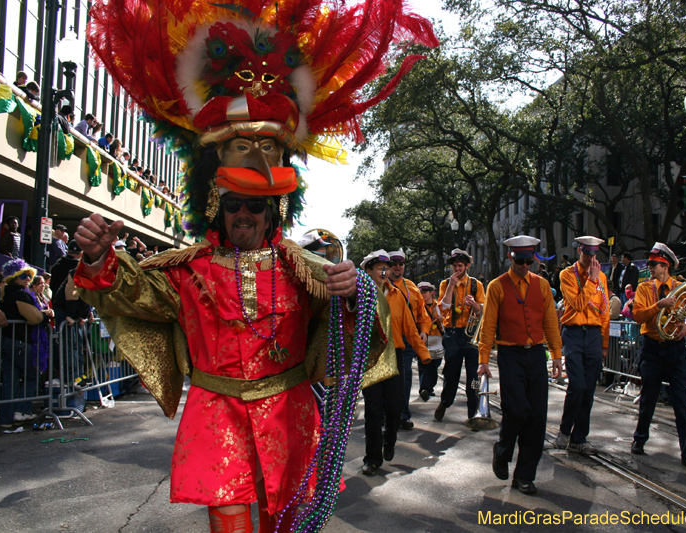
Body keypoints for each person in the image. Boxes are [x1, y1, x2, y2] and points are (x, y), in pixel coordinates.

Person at [78, 1, 435, 530]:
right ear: (213, 203)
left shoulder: (303, 267)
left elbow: (357, 330)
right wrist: (96, 256)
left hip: (289, 419)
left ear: (275, 210)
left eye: (255, 205)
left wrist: (357, 292)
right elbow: (129, 290)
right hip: (215, 417)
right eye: (234, 204)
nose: (244, 214)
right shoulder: (186, 269)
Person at [478, 236, 562, 495]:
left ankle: (524, 476)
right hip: (509, 354)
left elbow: (550, 322)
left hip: (536, 355)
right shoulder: (497, 286)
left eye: (529, 261)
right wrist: (483, 361)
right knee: (515, 410)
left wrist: (557, 355)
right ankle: (502, 450)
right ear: (510, 258)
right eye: (520, 261)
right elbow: (488, 325)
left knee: (536, 418)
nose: (526, 266)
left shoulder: (543, 286)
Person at [629, 243, 686, 470]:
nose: (649, 267)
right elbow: (637, 316)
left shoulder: (683, 288)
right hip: (652, 347)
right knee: (648, 398)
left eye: (653, 264)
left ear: (665, 265)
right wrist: (658, 306)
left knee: (682, 400)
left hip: (675, 348)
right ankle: (639, 438)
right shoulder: (644, 288)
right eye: (649, 264)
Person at [360, 251, 430, 475]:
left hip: (395, 357)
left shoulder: (398, 295)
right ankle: (372, 458)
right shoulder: (360, 296)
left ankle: (389, 439)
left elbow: (410, 328)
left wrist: (424, 353)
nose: (384, 272)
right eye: (379, 268)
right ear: (368, 271)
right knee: (372, 410)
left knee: (394, 407)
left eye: (386, 268)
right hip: (371, 359)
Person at [554, 236, 610, 455]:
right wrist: (592, 281)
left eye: (594, 255)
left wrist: (604, 343)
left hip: (594, 335)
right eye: (587, 255)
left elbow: (604, 311)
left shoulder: (602, 277)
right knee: (576, 384)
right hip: (574, 333)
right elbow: (576, 304)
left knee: (588, 389)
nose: (590, 259)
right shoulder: (567, 274)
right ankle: (565, 430)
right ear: (580, 252)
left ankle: (580, 437)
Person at [0, 259, 54, 428]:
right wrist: (45, 313)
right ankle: (22, 411)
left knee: (10, 380)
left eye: (29, 275)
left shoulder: (7, 293)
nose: (28, 279)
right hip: (21, 342)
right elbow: (34, 317)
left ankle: (6, 419)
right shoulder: (19, 294)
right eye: (23, 276)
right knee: (33, 374)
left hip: (9, 341)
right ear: (14, 277)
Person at [435, 249, 486, 424]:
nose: (457, 268)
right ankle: (444, 402)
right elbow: (443, 307)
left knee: (473, 377)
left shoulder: (476, 284)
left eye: (460, 265)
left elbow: (482, 311)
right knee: (451, 374)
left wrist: (475, 305)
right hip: (452, 334)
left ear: (467, 266)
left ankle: (474, 413)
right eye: (455, 265)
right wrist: (451, 286)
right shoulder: (445, 284)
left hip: (470, 334)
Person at [387, 248, 431, 430]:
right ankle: (386, 414)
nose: (397, 267)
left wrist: (425, 331)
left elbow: (423, 314)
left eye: (401, 264)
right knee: (386, 379)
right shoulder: (378, 286)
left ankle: (403, 415)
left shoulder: (412, 288)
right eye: (394, 264)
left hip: (407, 340)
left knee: (404, 379)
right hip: (385, 340)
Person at [418, 281, 444, 401]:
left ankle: (429, 387)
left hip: (437, 339)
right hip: (423, 339)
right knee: (424, 364)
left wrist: (440, 319)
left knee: (434, 365)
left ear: (431, 292)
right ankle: (424, 388)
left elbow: (446, 320)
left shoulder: (438, 306)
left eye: (425, 292)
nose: (423, 294)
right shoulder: (418, 306)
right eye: (421, 292)